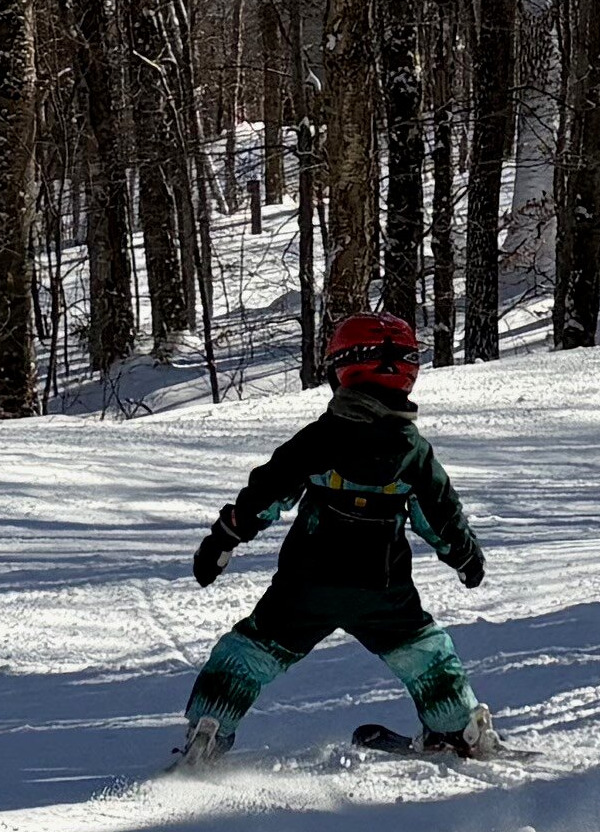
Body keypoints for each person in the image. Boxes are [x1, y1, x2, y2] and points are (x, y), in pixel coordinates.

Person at [176, 308, 494, 766]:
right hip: (382, 591)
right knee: (426, 654)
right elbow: (440, 516)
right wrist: (465, 557)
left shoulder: (318, 440)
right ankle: (457, 727)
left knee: (249, 652)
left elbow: (267, 494)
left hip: (306, 586)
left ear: (340, 368)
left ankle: (210, 728)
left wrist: (223, 540)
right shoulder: (413, 453)